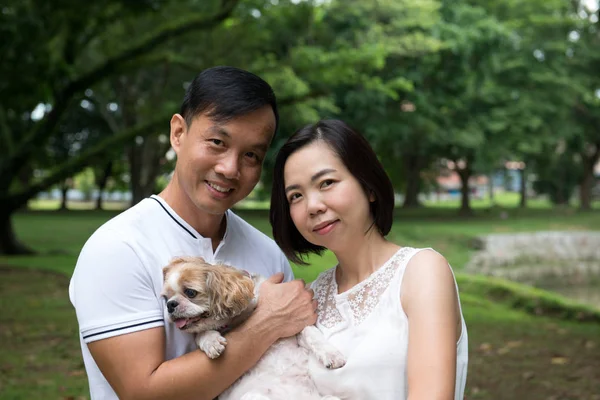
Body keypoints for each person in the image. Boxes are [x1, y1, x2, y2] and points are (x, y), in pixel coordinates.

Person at [69, 66, 317, 400]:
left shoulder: (268, 254)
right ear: (178, 133)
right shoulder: (118, 247)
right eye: (217, 142)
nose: (230, 168)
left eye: (251, 155)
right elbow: (143, 392)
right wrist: (266, 322)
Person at [270, 119, 469, 399]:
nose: (313, 206)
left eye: (327, 183)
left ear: (369, 187)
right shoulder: (311, 297)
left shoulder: (421, 272)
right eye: (296, 195)